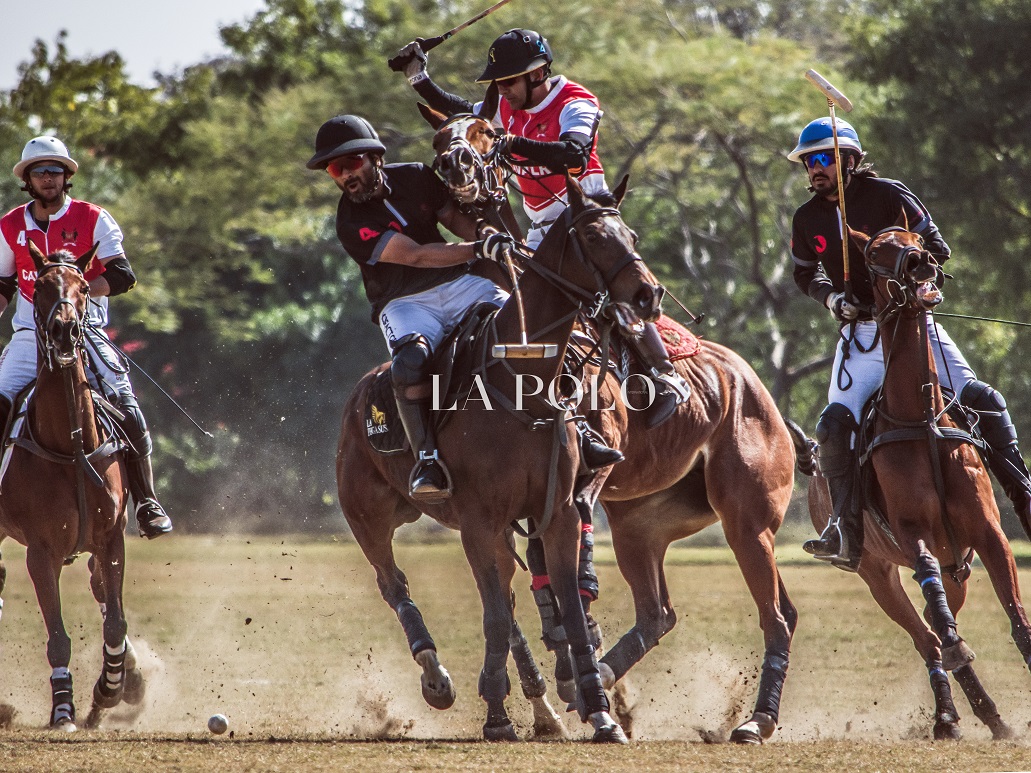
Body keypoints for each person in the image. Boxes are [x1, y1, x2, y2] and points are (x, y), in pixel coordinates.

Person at [393, 29, 690, 428]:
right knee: (522, 307)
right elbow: (464, 112)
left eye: (509, 81)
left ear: (538, 74)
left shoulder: (575, 101)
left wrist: (509, 145)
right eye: (498, 83)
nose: (503, 90)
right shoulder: (506, 106)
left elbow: (574, 155)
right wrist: (418, 77)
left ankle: (663, 373)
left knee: (615, 293)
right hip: (544, 226)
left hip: (590, 214)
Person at [790, 117, 1031, 571]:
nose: (815, 169)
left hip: (914, 327)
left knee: (985, 399)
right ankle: (845, 531)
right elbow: (805, 273)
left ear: (851, 160)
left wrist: (918, 284)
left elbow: (937, 250)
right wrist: (832, 298)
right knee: (833, 427)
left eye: (824, 158)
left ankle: (1025, 497)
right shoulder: (807, 219)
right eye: (809, 161)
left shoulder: (889, 194)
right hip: (860, 336)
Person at [0, 136, 173, 538]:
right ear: (27, 179)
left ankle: (147, 500)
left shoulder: (93, 217)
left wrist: (71, 294)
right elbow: (4, 284)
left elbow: (122, 275)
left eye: (55, 171)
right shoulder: (9, 225)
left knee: (125, 407)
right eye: (40, 171)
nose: (48, 178)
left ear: (66, 177)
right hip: (30, 335)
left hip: (86, 331)